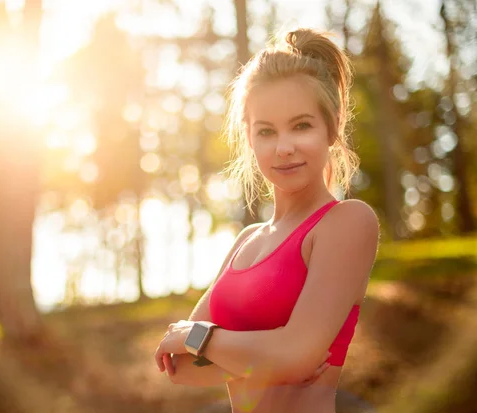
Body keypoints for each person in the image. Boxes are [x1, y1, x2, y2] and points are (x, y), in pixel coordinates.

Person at [154, 28, 380, 413]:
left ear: (333, 126)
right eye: (266, 131)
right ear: (250, 139)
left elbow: (295, 356)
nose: (284, 147)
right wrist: (274, 358)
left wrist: (202, 338)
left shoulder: (347, 222)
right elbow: (181, 366)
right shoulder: (247, 239)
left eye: (301, 125)